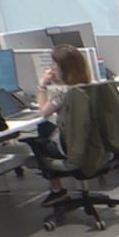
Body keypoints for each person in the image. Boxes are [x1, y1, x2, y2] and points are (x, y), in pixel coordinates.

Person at [35, 44, 92, 206]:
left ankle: (57, 190)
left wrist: (42, 86)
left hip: (71, 147)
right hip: (92, 144)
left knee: (43, 128)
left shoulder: (63, 93)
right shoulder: (92, 87)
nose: (52, 68)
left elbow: (43, 112)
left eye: (54, 64)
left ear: (64, 68)